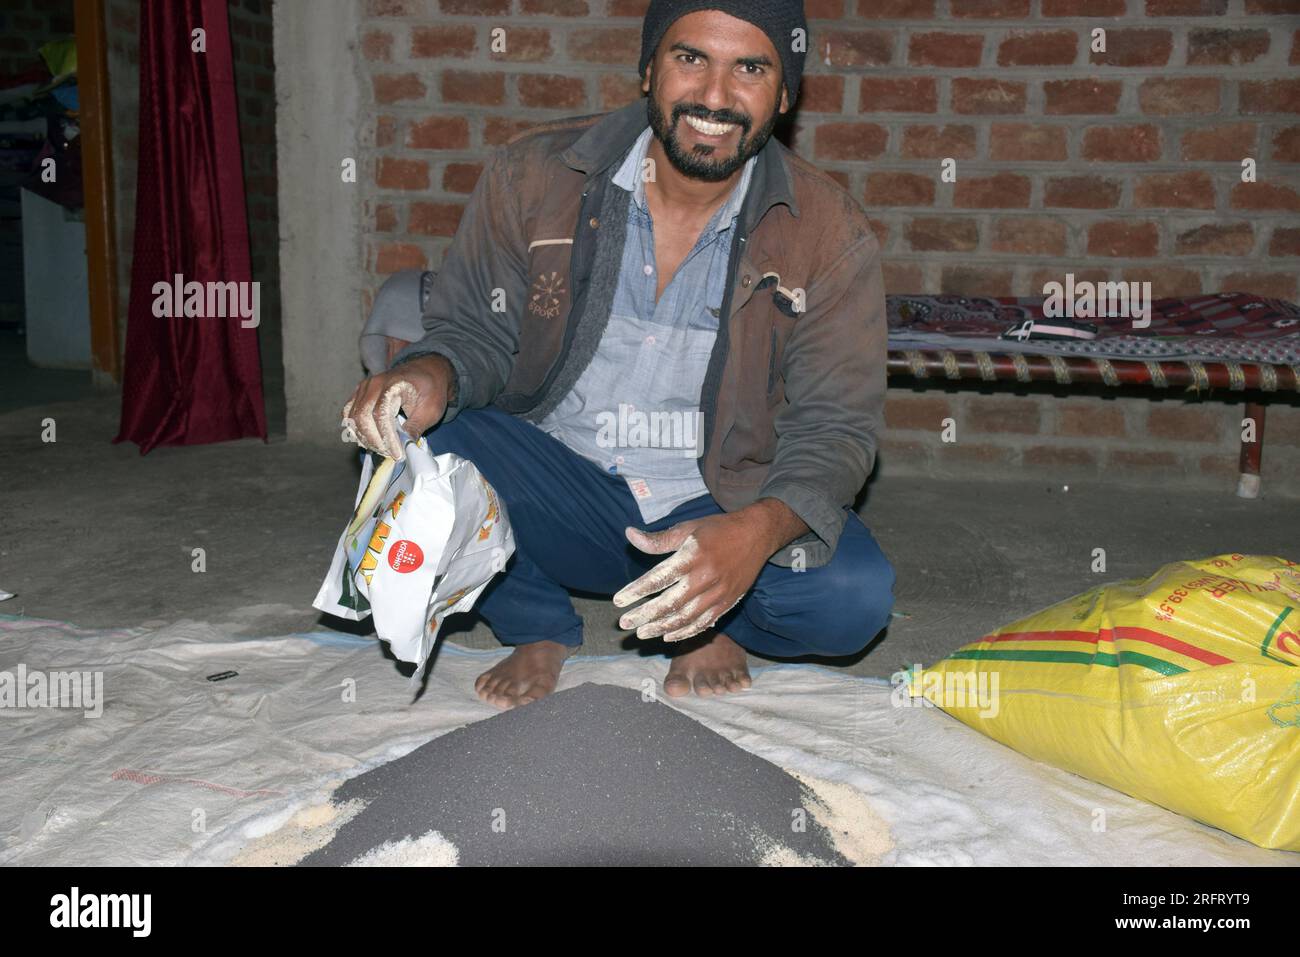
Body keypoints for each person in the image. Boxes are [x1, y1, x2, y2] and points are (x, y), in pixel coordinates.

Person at [343, 0, 895, 709]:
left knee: (850, 597)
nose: (715, 97)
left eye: (750, 68)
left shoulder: (827, 230)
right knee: (404, 436)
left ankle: (704, 616)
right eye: (690, 57)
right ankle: (535, 621)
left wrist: (752, 534)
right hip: (557, 488)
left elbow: (836, 428)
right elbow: (473, 334)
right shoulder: (532, 177)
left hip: (716, 502)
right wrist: (426, 376)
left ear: (785, 95)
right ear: (647, 69)